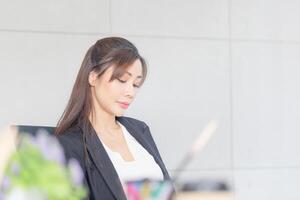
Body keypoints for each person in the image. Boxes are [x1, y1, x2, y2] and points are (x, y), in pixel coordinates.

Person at [55, 37, 171, 200]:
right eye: (122, 80)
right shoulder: (68, 144)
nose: (130, 92)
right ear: (93, 77)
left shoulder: (140, 130)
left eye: (135, 84)